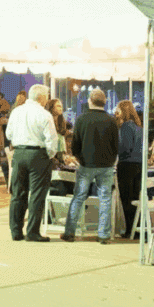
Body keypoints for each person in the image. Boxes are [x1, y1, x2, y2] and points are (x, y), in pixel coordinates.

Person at [62, 88, 118, 244]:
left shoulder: (82, 119)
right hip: (106, 165)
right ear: (104, 102)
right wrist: (111, 159)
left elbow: (75, 143)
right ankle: (103, 235)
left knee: (78, 197)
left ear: (90, 101)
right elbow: (116, 145)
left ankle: (69, 232)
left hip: (86, 164)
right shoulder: (111, 120)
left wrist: (79, 158)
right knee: (105, 199)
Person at [5, 84, 61, 241]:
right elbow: (52, 139)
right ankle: (32, 232)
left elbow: (8, 134)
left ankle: (15, 231)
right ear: (42, 97)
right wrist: (49, 155)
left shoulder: (16, 111)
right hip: (38, 155)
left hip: (19, 153)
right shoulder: (44, 114)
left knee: (17, 193)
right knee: (37, 194)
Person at [115, 100, 143, 239]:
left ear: (123, 111)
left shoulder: (126, 126)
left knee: (126, 198)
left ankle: (130, 230)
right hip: (139, 164)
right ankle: (137, 229)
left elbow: (126, 147)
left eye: (118, 110)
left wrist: (115, 149)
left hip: (126, 164)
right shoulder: (139, 126)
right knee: (135, 197)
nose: (116, 113)